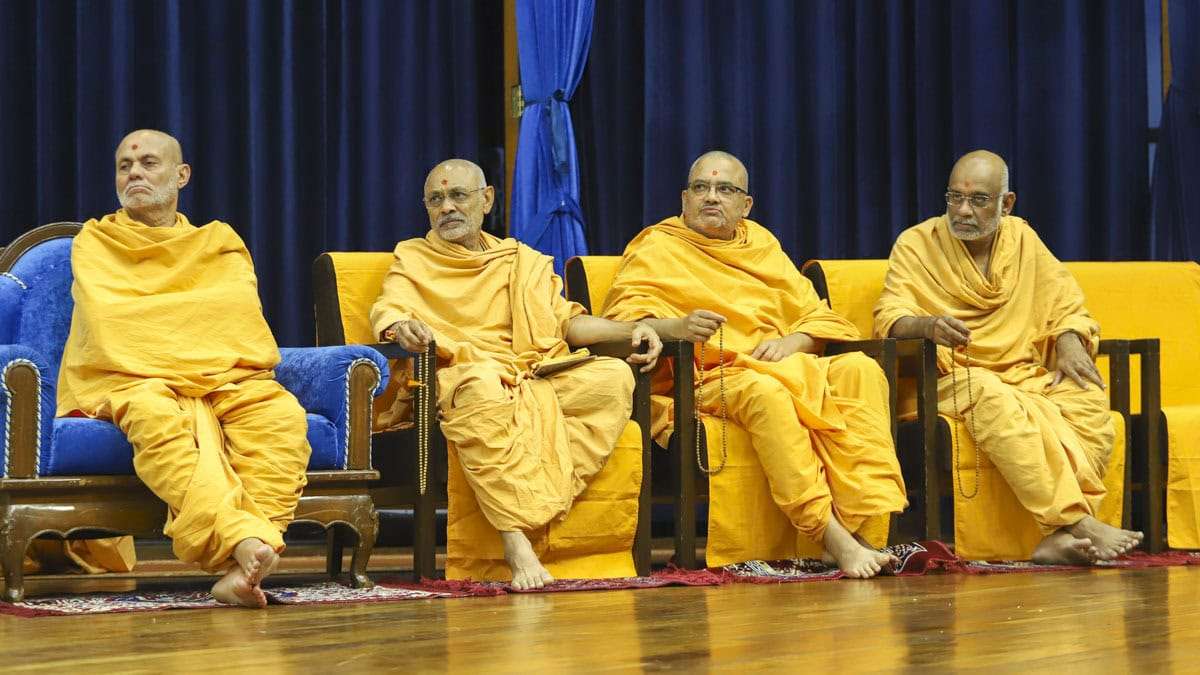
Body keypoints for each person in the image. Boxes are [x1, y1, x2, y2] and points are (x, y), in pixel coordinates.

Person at [602, 151, 906, 578]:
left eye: (725, 189)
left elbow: (815, 315)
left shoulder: (760, 245)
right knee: (766, 392)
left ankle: (866, 531)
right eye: (701, 188)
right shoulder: (657, 246)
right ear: (684, 199)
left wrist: (791, 343)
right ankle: (829, 534)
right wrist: (677, 326)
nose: (711, 197)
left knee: (861, 370)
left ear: (745, 205)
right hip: (708, 377)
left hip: (780, 363)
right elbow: (627, 321)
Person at [370, 159, 662, 589]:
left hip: (533, 374)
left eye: (458, 195)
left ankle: (538, 499)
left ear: (487, 199)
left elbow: (566, 322)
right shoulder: (414, 257)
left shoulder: (521, 260)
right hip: (464, 374)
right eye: (436, 199)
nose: (447, 207)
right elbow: (390, 306)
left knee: (613, 377)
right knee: (480, 388)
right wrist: (400, 326)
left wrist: (634, 328)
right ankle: (514, 539)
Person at [57, 129, 311, 607]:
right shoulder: (97, 241)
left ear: (181, 175)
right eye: (125, 166)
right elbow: (112, 322)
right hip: (131, 379)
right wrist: (184, 340)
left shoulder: (217, 242)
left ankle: (240, 566)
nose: (134, 173)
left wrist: (181, 342)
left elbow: (235, 314)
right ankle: (247, 544)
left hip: (227, 379)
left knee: (282, 418)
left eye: (148, 163)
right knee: (156, 418)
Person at [874, 149, 1143, 564]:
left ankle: (1055, 539)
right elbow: (890, 317)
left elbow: (1065, 303)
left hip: (1023, 375)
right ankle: (1075, 522)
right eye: (954, 197)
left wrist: (1069, 339)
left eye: (978, 199)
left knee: (1086, 397)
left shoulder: (1022, 240)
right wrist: (927, 325)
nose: (963, 210)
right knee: (989, 393)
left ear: (1007, 203)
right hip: (949, 380)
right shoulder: (917, 244)